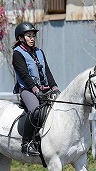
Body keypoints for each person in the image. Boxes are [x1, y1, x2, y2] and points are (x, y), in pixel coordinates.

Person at [12, 22, 60, 156]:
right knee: (35, 111)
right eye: (29, 36)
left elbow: (48, 72)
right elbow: (24, 75)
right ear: (21, 38)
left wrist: (55, 88)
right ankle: (26, 143)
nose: (32, 38)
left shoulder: (39, 52)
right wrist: (35, 90)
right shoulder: (17, 54)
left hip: (45, 89)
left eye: (33, 35)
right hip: (27, 90)